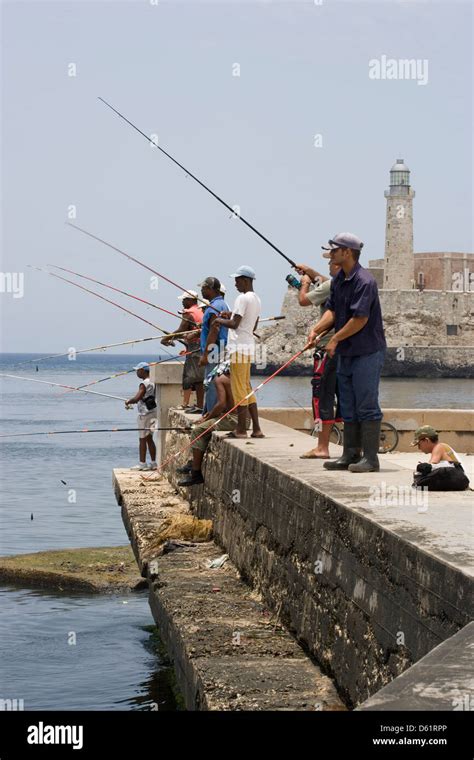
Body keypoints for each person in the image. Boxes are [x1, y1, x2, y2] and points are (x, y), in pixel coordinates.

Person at [307, 233, 386, 473]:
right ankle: (350, 454)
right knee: (348, 403)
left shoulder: (365, 281)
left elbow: (360, 319)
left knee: (367, 403)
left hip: (367, 351)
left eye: (333, 251)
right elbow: (331, 310)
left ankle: (371, 459)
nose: (330, 255)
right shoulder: (340, 278)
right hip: (347, 352)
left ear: (347, 252)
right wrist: (316, 329)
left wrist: (335, 340)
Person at [295, 259, 342, 459]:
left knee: (322, 397)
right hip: (345, 349)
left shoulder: (332, 285)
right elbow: (323, 279)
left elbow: (303, 301)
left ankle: (322, 447)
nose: (329, 264)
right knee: (345, 396)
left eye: (332, 261)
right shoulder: (346, 284)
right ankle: (354, 449)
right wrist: (309, 271)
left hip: (328, 348)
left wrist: (304, 282)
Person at [214, 265, 264, 439]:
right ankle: (256, 429)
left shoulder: (242, 298)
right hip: (248, 346)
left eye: (237, 280)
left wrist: (218, 320)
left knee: (238, 390)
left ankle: (241, 429)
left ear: (246, 280)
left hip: (238, 348)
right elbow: (252, 325)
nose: (235, 284)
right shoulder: (256, 299)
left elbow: (235, 325)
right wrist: (231, 314)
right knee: (246, 388)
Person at [177, 361, 237, 486]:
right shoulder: (240, 378)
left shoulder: (220, 379)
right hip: (242, 420)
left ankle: (196, 473)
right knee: (204, 426)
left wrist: (206, 418)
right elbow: (230, 405)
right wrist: (208, 416)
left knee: (197, 430)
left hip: (232, 420)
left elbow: (221, 404)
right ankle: (192, 463)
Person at [161, 291, 204, 413]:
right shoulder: (201, 311)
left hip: (195, 347)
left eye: (184, 299)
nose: (182, 302)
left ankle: (186, 404)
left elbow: (181, 330)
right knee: (199, 378)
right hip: (202, 345)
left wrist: (166, 339)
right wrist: (173, 338)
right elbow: (188, 332)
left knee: (188, 376)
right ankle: (200, 405)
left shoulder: (189, 313)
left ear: (190, 300)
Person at [197, 276, 229, 414]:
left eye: (203, 288)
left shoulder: (214, 307)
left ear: (210, 289)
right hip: (221, 348)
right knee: (215, 382)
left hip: (214, 350)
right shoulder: (223, 304)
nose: (201, 291)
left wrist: (205, 355)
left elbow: (214, 330)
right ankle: (209, 413)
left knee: (210, 384)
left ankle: (211, 415)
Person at [411, 425, 470, 490]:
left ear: (426, 440)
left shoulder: (438, 448)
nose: (419, 448)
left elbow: (430, 467)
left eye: (419, 444)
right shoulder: (443, 446)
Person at [125, 362, 157, 471]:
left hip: (145, 414)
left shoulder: (144, 384)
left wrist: (129, 401)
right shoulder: (153, 382)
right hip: (153, 412)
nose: (136, 372)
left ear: (143, 370)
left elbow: (138, 397)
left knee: (142, 439)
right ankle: (153, 463)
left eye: (138, 370)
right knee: (150, 438)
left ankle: (142, 463)